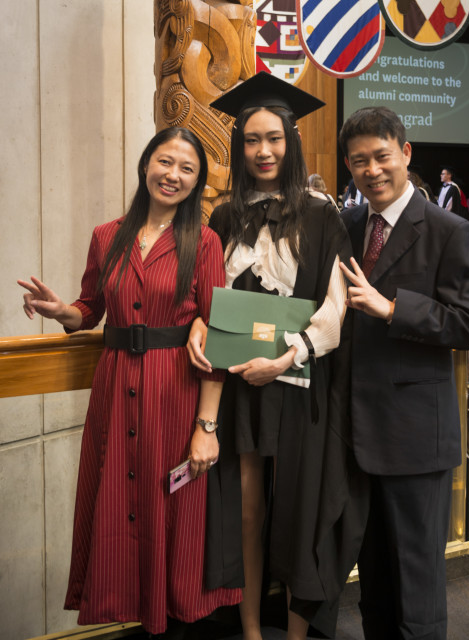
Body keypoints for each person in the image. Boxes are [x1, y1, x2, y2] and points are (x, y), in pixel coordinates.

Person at [18, 127, 242, 638]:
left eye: (187, 169)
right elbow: (89, 309)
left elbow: (218, 335)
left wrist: (206, 426)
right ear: (146, 165)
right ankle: (139, 616)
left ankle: (174, 621)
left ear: (197, 183)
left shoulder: (205, 242)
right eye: (165, 162)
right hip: (116, 390)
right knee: (118, 502)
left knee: (174, 511)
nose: (173, 175)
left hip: (176, 391)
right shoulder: (107, 235)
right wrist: (62, 311)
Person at [187, 72, 365, 640]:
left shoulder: (322, 214)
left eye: (274, 138)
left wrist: (287, 360)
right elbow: (206, 292)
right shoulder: (223, 216)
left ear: (291, 141)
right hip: (240, 384)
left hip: (298, 381)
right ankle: (249, 631)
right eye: (251, 140)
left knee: (296, 511)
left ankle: (294, 634)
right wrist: (198, 321)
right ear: (239, 147)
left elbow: (336, 304)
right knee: (247, 511)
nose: (263, 151)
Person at [338, 107, 469, 640]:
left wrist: (392, 309)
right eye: (359, 161)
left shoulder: (450, 230)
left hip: (415, 436)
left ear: (405, 153)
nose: (372, 170)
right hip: (354, 434)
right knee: (375, 583)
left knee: (417, 586)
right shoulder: (348, 225)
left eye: (382, 156)